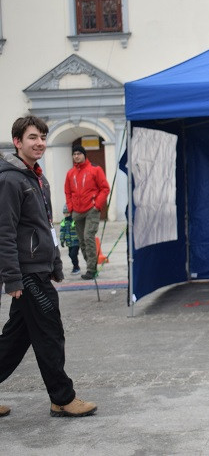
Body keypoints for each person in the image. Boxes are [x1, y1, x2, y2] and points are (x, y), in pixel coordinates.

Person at [0, 115, 97, 418]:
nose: (40, 142)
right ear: (18, 142)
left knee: (16, 339)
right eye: (32, 137)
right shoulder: (10, 179)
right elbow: (4, 231)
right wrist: (13, 279)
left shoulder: (38, 178)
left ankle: (60, 396)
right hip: (27, 274)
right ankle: (62, 397)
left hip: (39, 268)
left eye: (43, 137)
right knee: (49, 333)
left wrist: (55, 261)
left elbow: (46, 225)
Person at [64, 143, 110, 280]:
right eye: (74, 154)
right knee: (82, 240)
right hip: (77, 211)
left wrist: (97, 205)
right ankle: (91, 264)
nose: (76, 156)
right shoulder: (70, 173)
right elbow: (67, 191)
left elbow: (105, 188)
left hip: (91, 209)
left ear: (84, 155)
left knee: (88, 237)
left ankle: (91, 269)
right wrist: (70, 207)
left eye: (79, 154)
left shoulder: (95, 170)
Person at [59, 205, 81, 275]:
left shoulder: (74, 220)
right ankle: (76, 266)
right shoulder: (63, 221)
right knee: (70, 255)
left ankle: (76, 268)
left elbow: (79, 229)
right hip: (69, 242)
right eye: (65, 213)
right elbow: (62, 231)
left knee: (73, 254)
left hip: (76, 242)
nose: (66, 214)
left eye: (68, 213)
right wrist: (62, 240)